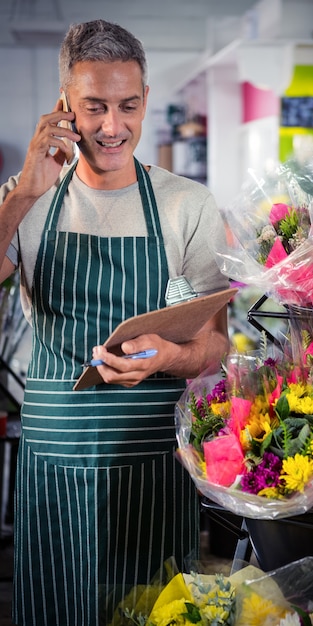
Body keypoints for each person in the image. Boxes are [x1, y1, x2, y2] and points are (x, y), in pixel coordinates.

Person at [0, 19, 230, 625]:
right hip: (56, 462)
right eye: (94, 107)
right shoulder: (26, 201)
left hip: (156, 459)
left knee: (158, 612)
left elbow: (215, 344)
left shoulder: (189, 205)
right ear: (63, 108)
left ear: (146, 100)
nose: (112, 126)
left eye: (128, 106)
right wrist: (24, 192)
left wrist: (171, 356)